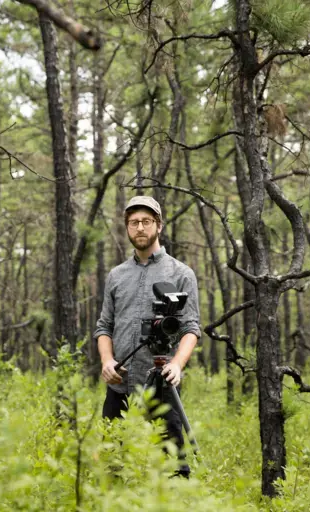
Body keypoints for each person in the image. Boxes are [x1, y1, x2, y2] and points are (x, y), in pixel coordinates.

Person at [93, 195, 200, 477]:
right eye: (134, 222)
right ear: (127, 228)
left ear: (159, 226)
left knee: (173, 469)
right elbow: (104, 326)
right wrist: (107, 361)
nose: (140, 228)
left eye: (146, 222)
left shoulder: (181, 273)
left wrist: (177, 364)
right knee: (112, 466)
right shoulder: (116, 275)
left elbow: (191, 328)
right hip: (121, 384)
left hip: (162, 385)